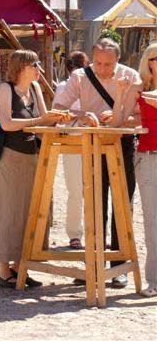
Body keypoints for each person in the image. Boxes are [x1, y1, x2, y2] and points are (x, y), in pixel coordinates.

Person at [52, 37, 140, 288]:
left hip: (122, 144)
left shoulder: (130, 76)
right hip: (92, 143)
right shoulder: (80, 77)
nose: (102, 69)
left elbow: (138, 114)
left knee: (122, 204)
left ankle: (120, 264)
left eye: (107, 64)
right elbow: (58, 108)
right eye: (99, 63)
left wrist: (120, 115)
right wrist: (82, 114)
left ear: (118, 60)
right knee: (94, 203)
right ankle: (94, 262)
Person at [0, 49, 68, 288]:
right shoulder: (6, 89)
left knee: (28, 213)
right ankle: (4, 271)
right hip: (8, 158)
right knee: (6, 212)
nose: (39, 69)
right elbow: (7, 124)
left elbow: (44, 120)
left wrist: (60, 118)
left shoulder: (35, 89)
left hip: (31, 157)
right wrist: (41, 121)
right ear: (22, 67)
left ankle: (21, 267)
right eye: (34, 64)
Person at [109, 42, 157, 297]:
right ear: (149, 62)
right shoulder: (140, 88)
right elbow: (118, 121)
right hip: (148, 157)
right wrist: (120, 94)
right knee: (151, 220)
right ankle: (155, 280)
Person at [52, 50, 89, 250]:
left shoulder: (92, 86)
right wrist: (81, 115)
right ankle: (75, 234)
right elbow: (58, 112)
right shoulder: (64, 87)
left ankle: (90, 231)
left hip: (90, 139)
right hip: (72, 140)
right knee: (76, 190)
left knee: (88, 190)